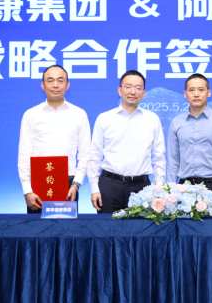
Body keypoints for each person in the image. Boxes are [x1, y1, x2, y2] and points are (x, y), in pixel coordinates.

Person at [88, 70, 166, 213]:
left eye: (138, 88)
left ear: (144, 93)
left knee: (142, 227)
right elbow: (94, 157)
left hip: (142, 189)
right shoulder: (104, 118)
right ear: (120, 90)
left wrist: (159, 188)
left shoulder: (152, 119)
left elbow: (159, 158)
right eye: (128, 87)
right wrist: (94, 188)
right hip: (109, 186)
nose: (133, 91)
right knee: (107, 227)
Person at [18, 65, 91, 213]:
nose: (55, 85)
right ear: (43, 85)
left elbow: (85, 154)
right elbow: (24, 155)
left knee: (67, 227)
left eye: (60, 80)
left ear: (67, 85)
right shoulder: (30, 115)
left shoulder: (79, 114)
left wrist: (76, 184)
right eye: (50, 81)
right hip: (38, 185)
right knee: (36, 227)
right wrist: (27, 190)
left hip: (69, 185)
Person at [167, 73, 212, 210]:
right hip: (184, 188)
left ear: (208, 93)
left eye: (201, 90)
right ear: (185, 94)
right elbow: (173, 160)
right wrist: (170, 190)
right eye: (191, 90)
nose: (196, 94)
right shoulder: (176, 122)